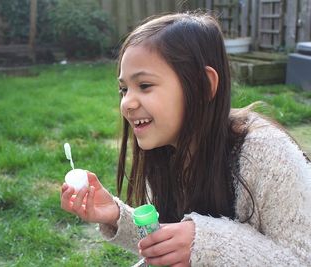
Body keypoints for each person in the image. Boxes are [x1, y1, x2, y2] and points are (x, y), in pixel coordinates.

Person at [60, 12, 311, 266]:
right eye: (124, 89)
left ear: (203, 85)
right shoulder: (163, 151)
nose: (127, 103)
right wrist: (116, 216)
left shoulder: (268, 155)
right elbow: (171, 242)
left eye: (144, 85)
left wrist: (206, 243)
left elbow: (302, 259)